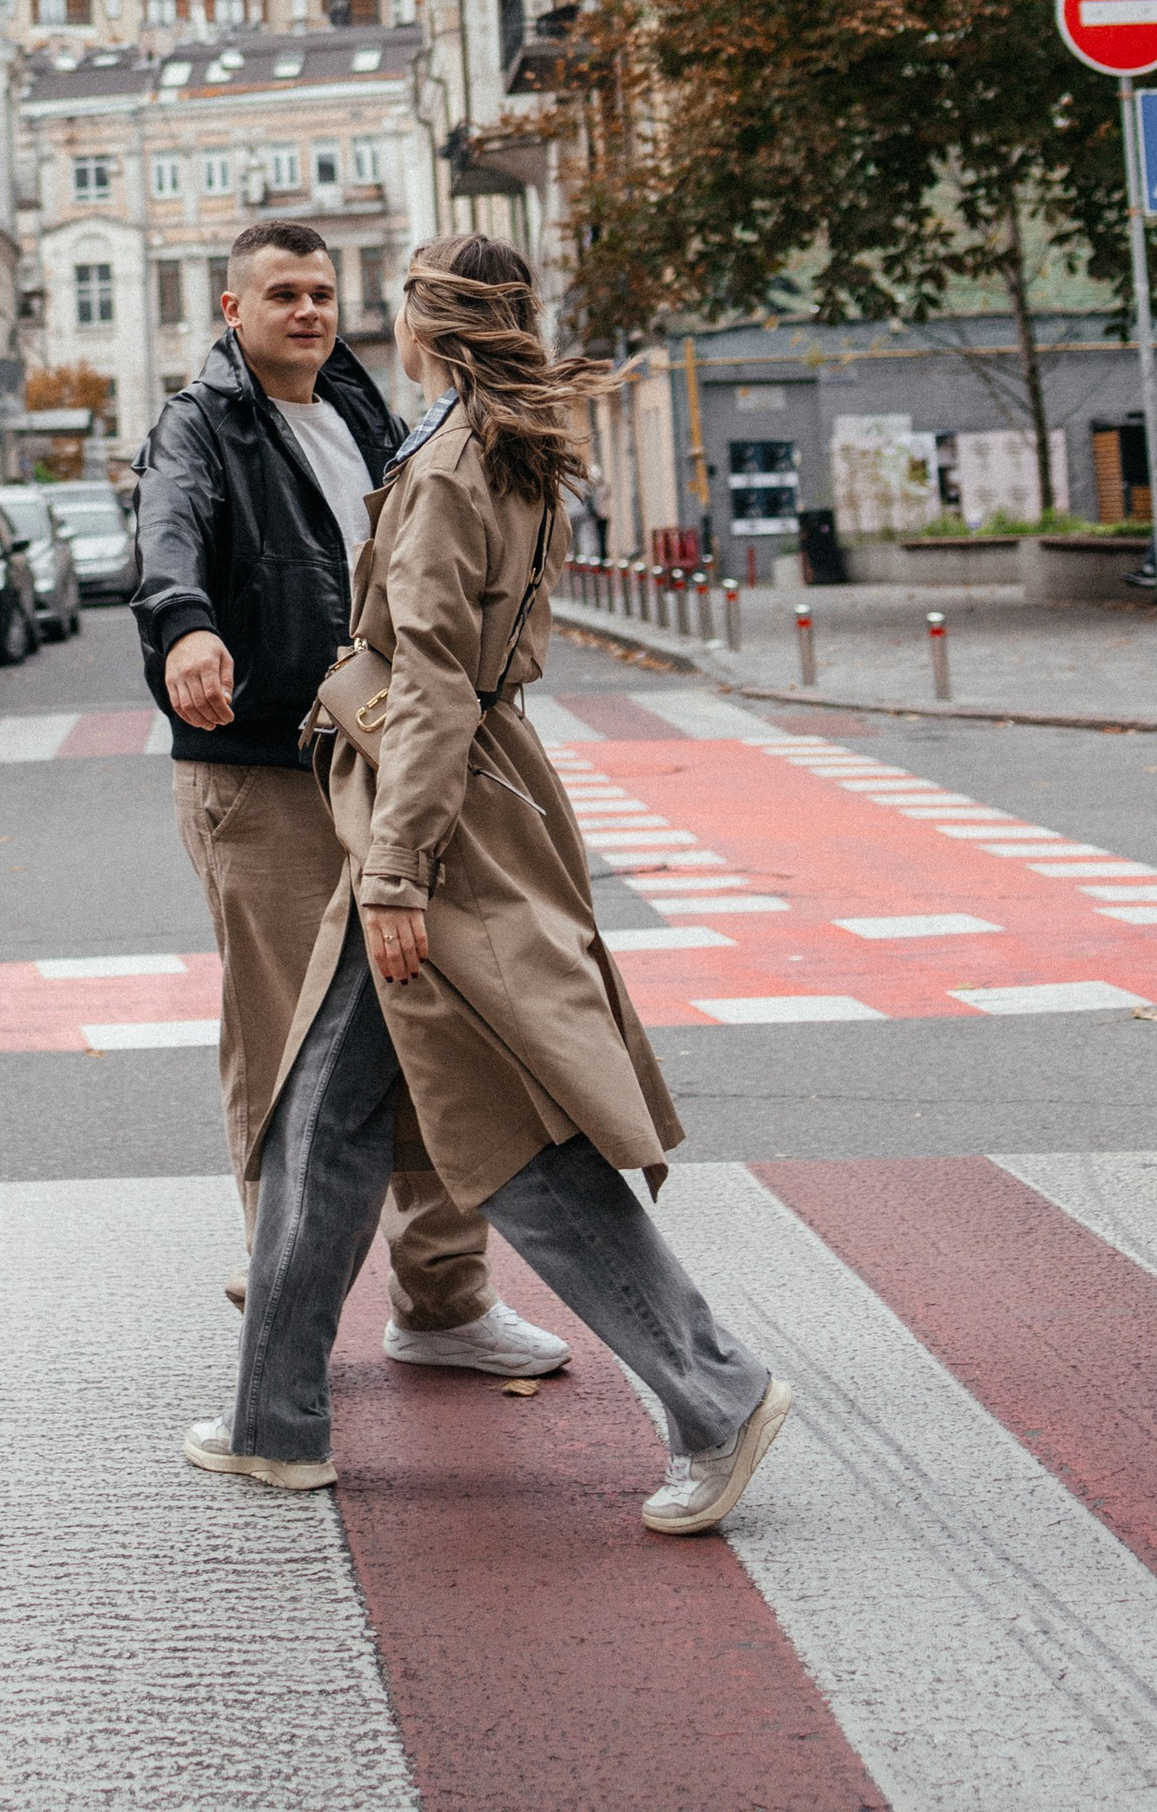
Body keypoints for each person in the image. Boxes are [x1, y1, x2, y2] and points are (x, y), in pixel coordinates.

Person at [184, 234, 794, 1537]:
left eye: (396, 302)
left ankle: (717, 1395)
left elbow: (436, 684)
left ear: (428, 322)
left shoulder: (455, 463)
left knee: (514, 1137)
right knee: (321, 1117)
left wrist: (398, 870)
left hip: (434, 823)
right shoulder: (492, 438)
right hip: (442, 803)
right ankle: (273, 1419)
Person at [134, 217, 566, 1383]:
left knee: (431, 1023)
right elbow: (166, 538)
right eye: (281, 293)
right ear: (233, 310)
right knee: (289, 1047)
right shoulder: (199, 425)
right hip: (259, 767)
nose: (309, 311)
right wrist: (186, 628)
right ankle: (288, 1290)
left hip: (378, 763)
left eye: (322, 291)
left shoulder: (371, 413)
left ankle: (442, 1299)